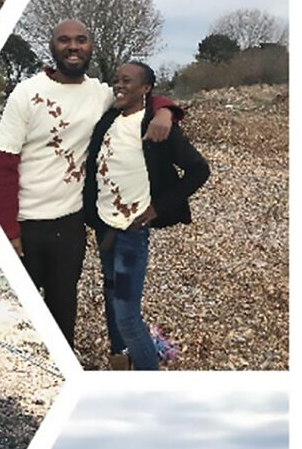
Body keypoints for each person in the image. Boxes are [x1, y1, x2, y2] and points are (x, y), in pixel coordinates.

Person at [0, 20, 179, 348]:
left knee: (64, 307)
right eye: (64, 40)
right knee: (15, 311)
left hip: (70, 224)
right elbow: (4, 164)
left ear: (91, 46)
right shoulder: (27, 92)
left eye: (81, 40)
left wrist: (166, 113)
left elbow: (142, 95)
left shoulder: (100, 94)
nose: (73, 47)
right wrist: (8, 231)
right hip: (25, 224)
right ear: (51, 46)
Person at [83, 61, 210, 369]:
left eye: (128, 81)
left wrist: (158, 207)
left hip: (131, 233)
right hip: (105, 228)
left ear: (146, 88)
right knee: (111, 293)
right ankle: (120, 356)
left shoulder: (156, 125)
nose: (119, 85)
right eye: (116, 80)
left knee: (127, 314)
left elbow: (198, 170)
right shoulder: (110, 118)